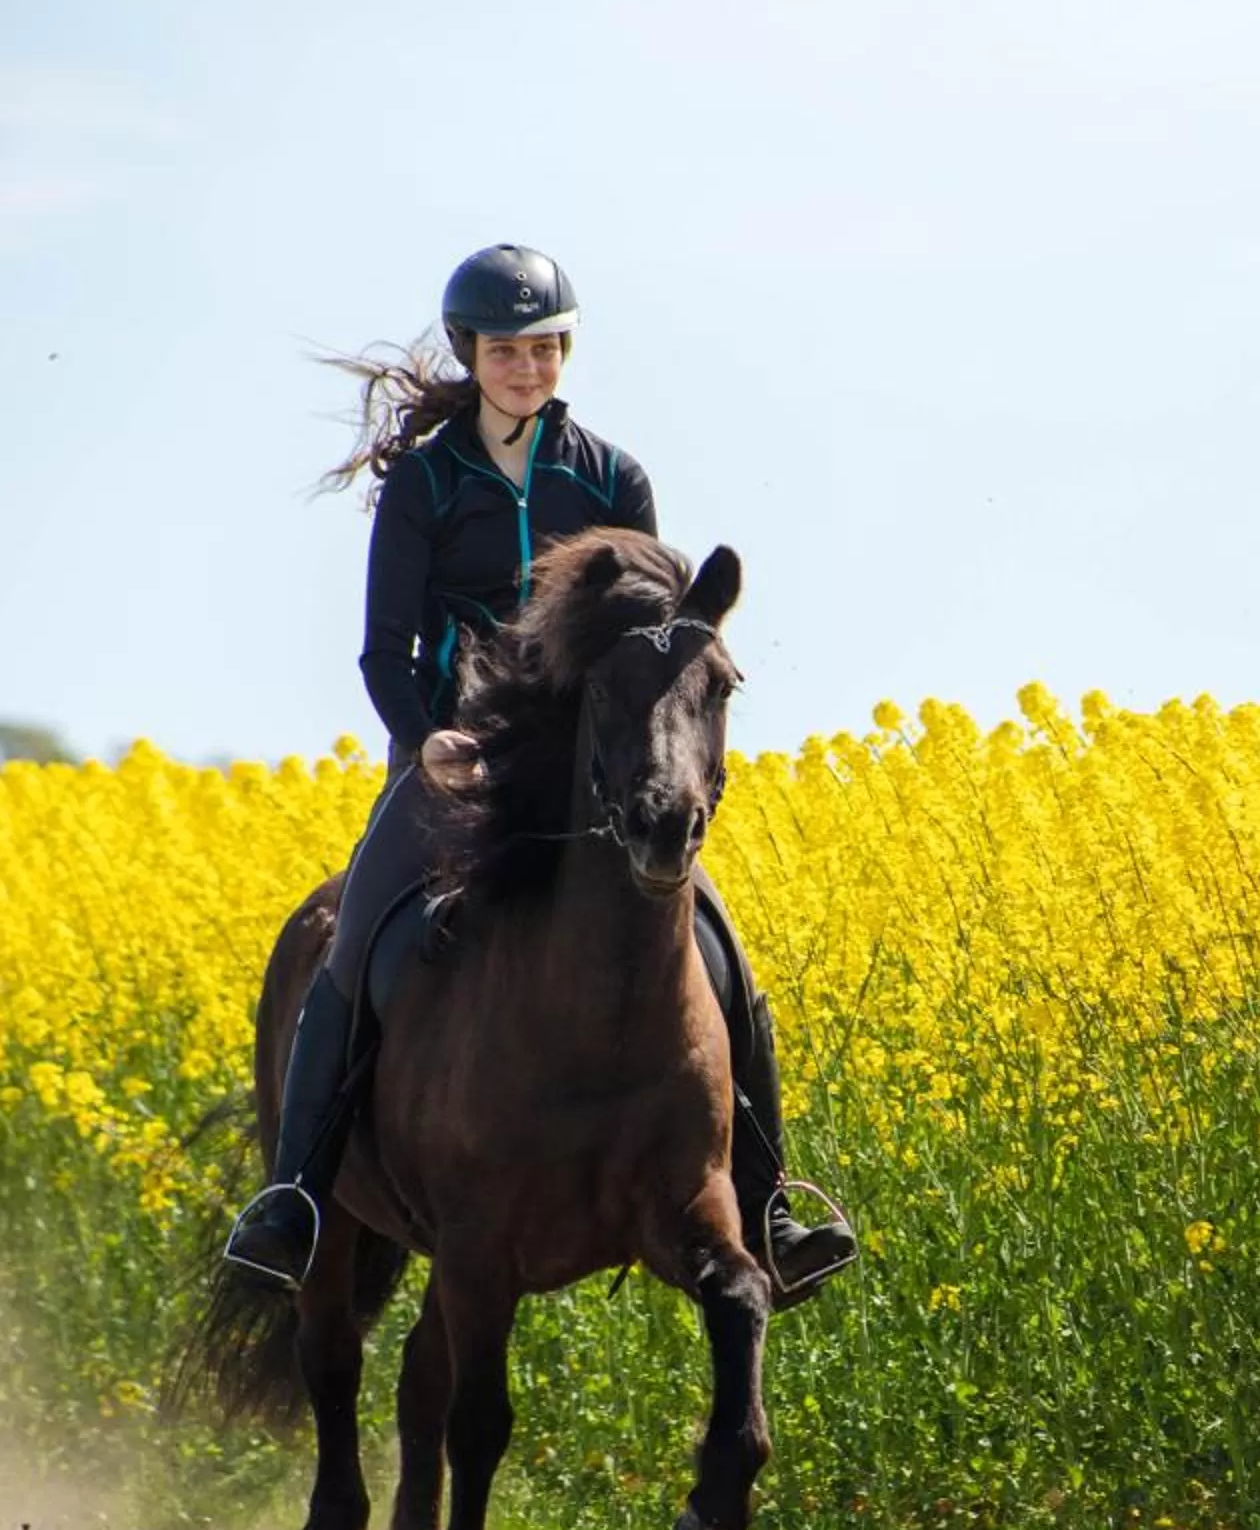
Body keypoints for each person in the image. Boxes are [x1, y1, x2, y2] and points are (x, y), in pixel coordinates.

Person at [221, 243, 857, 1307]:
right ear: (472, 354)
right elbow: (383, 650)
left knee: (718, 947)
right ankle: (293, 1196)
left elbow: (656, 641)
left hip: (584, 771)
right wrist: (427, 736)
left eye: (547, 347)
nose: (529, 366)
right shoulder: (426, 482)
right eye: (509, 350)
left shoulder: (611, 476)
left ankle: (775, 1197)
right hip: (453, 760)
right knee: (352, 942)